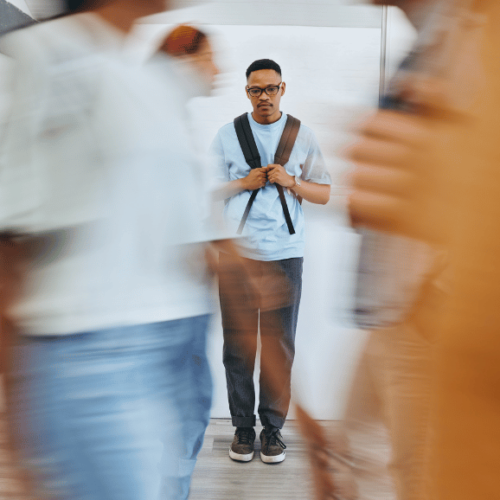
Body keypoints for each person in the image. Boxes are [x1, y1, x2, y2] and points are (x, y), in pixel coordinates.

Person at [0, 1, 231, 499]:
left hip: (168, 339)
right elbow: (11, 244)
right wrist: (21, 410)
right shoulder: (45, 54)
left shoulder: (141, 76)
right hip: (91, 353)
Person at [346, 1, 500, 500]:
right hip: (394, 306)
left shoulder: (478, 29)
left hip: (429, 312)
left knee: (419, 473)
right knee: (357, 452)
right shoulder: (440, 33)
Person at [211, 58, 331, 464]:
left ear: (284, 88)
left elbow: (325, 193)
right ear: (246, 92)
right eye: (255, 90)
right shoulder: (228, 135)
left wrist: (292, 182)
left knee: (279, 346)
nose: (264, 96)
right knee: (238, 345)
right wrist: (242, 183)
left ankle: (273, 432)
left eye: (271, 88)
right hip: (237, 255)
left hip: (285, 254)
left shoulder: (302, 134)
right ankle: (243, 429)